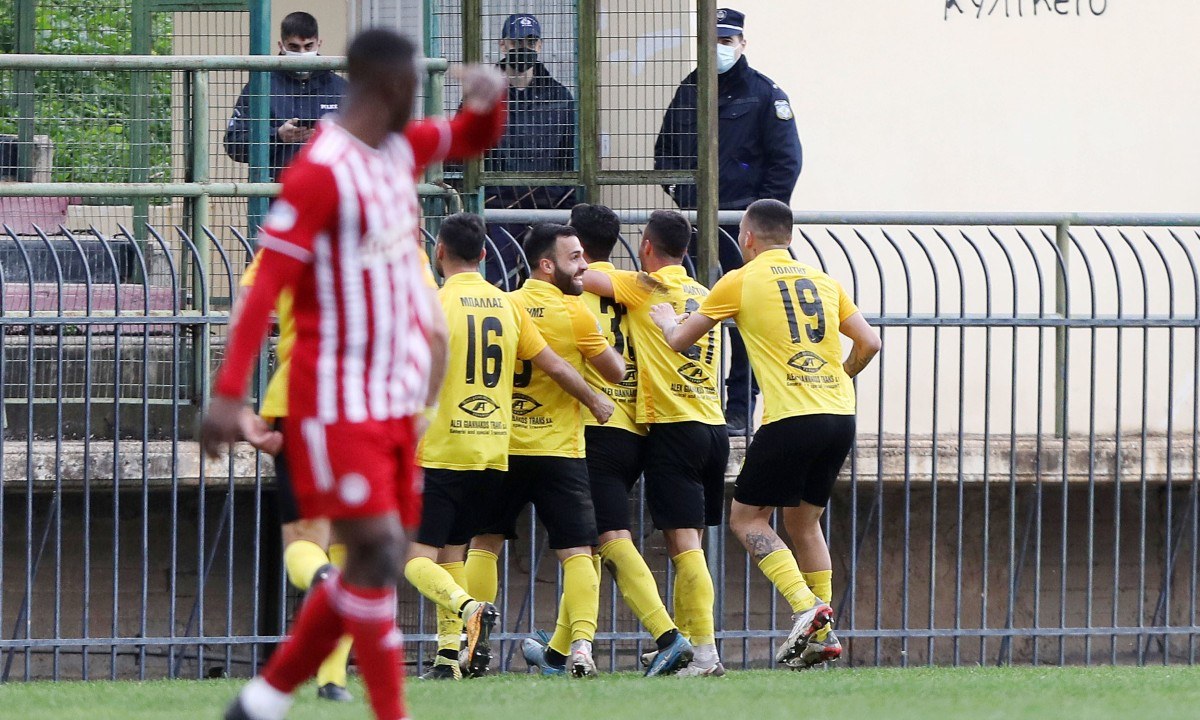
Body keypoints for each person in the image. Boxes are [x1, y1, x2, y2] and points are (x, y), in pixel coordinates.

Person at [201, 29, 507, 720]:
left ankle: (262, 700)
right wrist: (227, 393)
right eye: (413, 85)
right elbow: (264, 288)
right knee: (376, 548)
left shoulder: (399, 148)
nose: (419, 99)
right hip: (332, 396)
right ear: (388, 86)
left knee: (377, 559)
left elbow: (469, 137)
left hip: (393, 398)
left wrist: (488, 103)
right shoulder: (319, 171)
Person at [648, 198, 881, 669]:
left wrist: (667, 320)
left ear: (748, 238)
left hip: (791, 416)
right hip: (839, 414)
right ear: (789, 237)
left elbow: (679, 341)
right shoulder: (824, 280)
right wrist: (839, 376)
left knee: (747, 519)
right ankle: (821, 636)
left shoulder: (740, 279)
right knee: (804, 523)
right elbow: (870, 342)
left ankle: (806, 607)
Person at [402, 213, 613, 681]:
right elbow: (554, 365)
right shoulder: (506, 304)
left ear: (440, 252)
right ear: (483, 254)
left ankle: (469, 608)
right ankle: (449, 657)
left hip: (441, 447)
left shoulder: (432, 304)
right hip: (493, 451)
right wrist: (596, 400)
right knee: (454, 553)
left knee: (416, 558)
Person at [520, 204, 694, 677]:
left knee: (607, 536)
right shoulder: (633, 285)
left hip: (590, 427)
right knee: (587, 540)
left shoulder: (571, 293)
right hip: (633, 425)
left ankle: (664, 637)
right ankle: (560, 651)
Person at [466, 223, 625, 678]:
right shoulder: (576, 314)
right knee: (578, 553)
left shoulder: (505, 304)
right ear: (546, 265)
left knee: (485, 544)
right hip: (559, 450)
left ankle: (474, 643)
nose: (585, 266)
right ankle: (582, 648)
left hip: (504, 446)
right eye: (575, 258)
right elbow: (615, 372)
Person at [581, 210, 730, 677]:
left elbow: (581, 275)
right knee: (692, 547)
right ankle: (689, 644)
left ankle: (703, 653)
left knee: (684, 548)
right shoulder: (703, 293)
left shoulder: (643, 286)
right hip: (714, 425)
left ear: (646, 246)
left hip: (674, 427)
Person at [653, 7, 803, 434]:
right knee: (688, 311)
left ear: (741, 44)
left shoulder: (764, 94)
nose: (718, 48)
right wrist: (689, 199)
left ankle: (740, 408)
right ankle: (691, 404)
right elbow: (665, 155)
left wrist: (757, 219)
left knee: (747, 321)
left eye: (726, 41)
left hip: (746, 231)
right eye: (712, 40)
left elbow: (786, 162)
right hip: (699, 226)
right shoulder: (689, 90)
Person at [233, 252, 353, 703]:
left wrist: (236, 401)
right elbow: (429, 332)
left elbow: (247, 314)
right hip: (368, 405)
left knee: (306, 538)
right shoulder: (396, 242)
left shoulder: (287, 244)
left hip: (301, 398)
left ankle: (321, 577)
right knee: (351, 543)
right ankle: (333, 680)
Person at [473, 13, 579, 288]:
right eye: (516, 42)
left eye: (530, 42)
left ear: (539, 46)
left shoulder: (559, 98)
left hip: (548, 211)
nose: (523, 48)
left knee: (548, 289)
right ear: (503, 45)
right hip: (497, 210)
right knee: (498, 287)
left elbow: (571, 156)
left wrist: (565, 205)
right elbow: (465, 152)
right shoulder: (484, 96)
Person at [224, 12, 349, 181]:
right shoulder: (261, 86)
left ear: (319, 44)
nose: (302, 53)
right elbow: (234, 143)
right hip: (274, 190)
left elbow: (361, 143)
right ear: (282, 46)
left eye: (308, 46)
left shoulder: (340, 89)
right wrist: (277, 136)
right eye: (294, 47)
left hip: (326, 188)